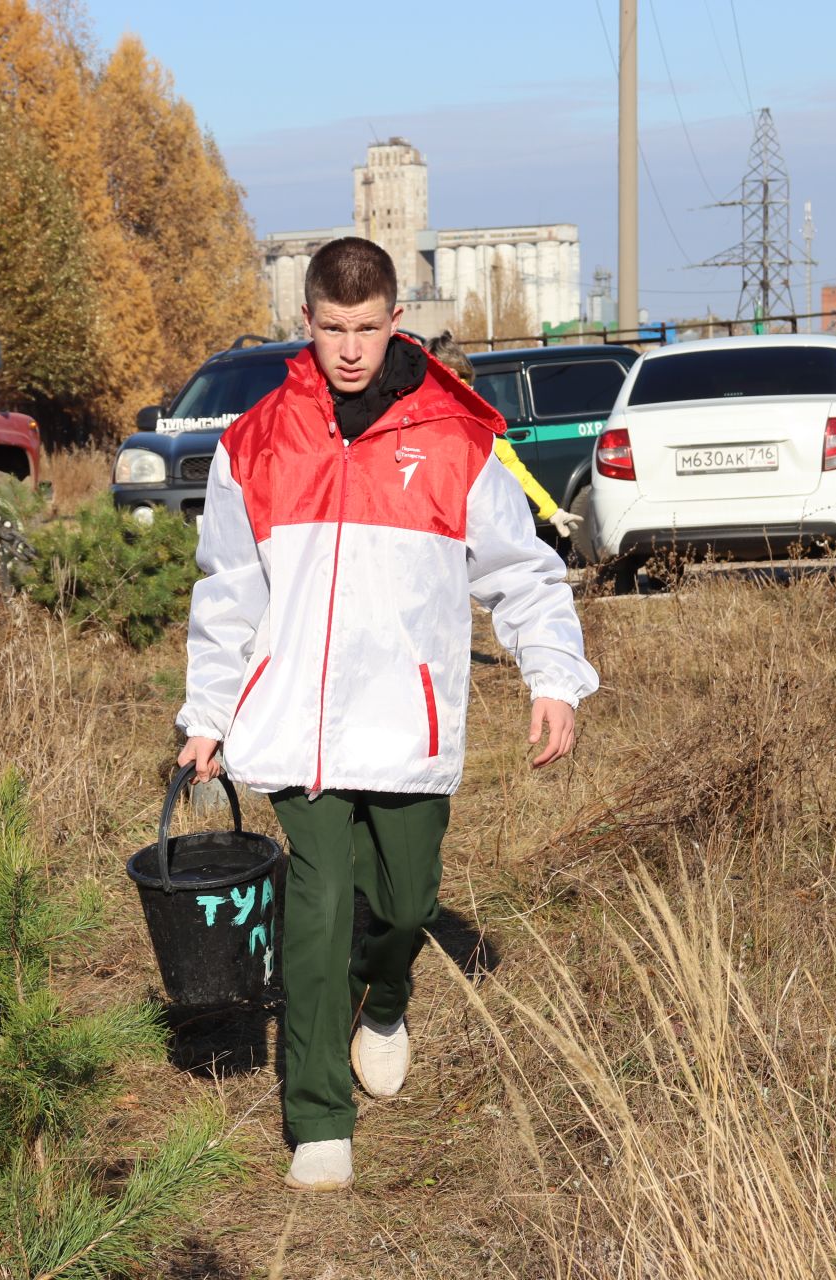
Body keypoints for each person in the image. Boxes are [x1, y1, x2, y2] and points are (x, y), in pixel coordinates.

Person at [176, 237, 599, 1191]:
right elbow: (227, 593)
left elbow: (523, 571)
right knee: (318, 905)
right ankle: (320, 1120)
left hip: (407, 726)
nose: (352, 349)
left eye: (369, 329)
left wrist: (554, 677)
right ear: (307, 323)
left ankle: (388, 996)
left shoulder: (454, 437)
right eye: (334, 329)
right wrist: (207, 715)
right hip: (297, 723)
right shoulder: (256, 441)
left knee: (407, 904)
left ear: (395, 321)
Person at [425, 331, 580, 542]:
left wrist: (551, 510)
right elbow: (513, 467)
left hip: (452, 527)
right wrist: (551, 510)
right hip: (452, 526)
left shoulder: (473, 415)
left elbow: (511, 465)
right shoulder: (469, 413)